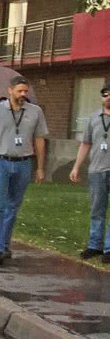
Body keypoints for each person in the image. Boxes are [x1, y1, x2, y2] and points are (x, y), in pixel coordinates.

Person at [0, 75, 49, 266]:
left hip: (24, 163)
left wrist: (40, 167)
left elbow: (40, 140)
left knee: (12, 207)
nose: (23, 94)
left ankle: (4, 244)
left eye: (25, 91)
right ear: (10, 91)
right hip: (0, 162)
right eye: (19, 91)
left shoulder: (35, 112)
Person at [70, 82, 110, 263]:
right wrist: (76, 166)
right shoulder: (94, 118)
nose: (107, 97)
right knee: (97, 209)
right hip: (96, 171)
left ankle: (109, 248)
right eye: (105, 94)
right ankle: (95, 245)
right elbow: (86, 143)